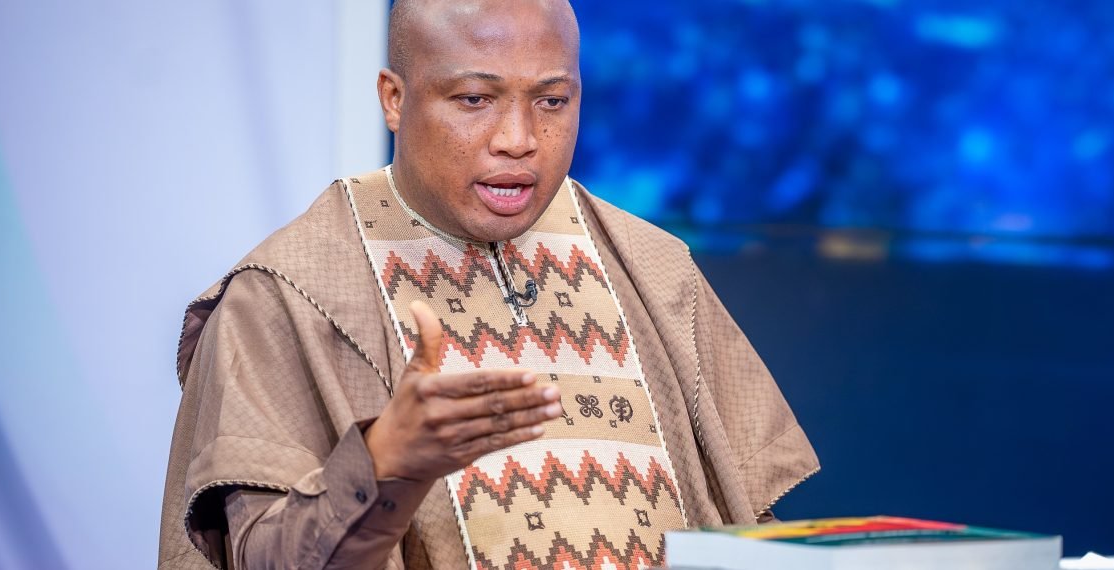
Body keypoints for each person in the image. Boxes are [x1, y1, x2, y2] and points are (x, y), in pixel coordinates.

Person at [158, 0, 819, 568]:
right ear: (394, 98)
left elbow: (749, 523)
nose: (519, 139)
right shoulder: (285, 293)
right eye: (474, 99)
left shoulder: (654, 266)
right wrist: (385, 465)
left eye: (552, 101)